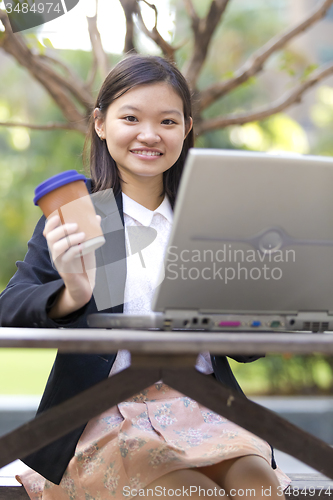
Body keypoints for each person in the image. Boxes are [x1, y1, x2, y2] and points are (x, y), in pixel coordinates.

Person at [0, 54, 290, 500]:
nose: (149, 135)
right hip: (106, 415)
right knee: (192, 492)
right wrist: (72, 293)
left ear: (186, 128)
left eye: (167, 121)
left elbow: (248, 350)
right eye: (131, 117)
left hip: (206, 409)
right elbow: (11, 305)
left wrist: (255, 302)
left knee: (259, 488)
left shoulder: (207, 222)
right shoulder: (88, 218)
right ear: (100, 123)